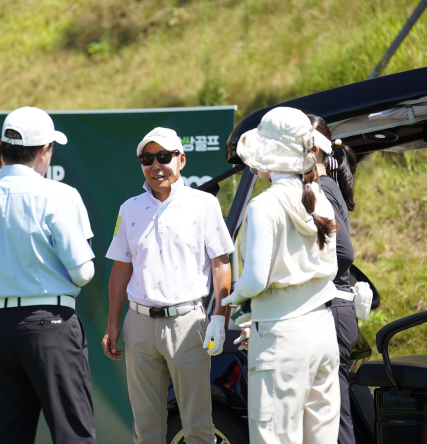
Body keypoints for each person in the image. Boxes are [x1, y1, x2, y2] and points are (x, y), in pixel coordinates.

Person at [0, 106, 97, 444]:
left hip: (1, 326)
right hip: (53, 324)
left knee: (8, 435)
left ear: (2, 147)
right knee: (73, 433)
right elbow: (84, 272)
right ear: (44, 151)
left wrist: (6, 276)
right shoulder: (60, 195)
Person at [102, 127, 234, 444]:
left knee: (198, 425)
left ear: (181, 159)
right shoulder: (129, 208)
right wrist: (113, 324)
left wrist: (220, 317)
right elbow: (121, 269)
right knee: (146, 428)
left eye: (164, 156)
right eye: (147, 158)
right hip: (140, 324)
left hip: (188, 323)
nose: (156, 165)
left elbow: (221, 264)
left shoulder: (203, 204)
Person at [222, 107, 340, 444]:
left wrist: (235, 295)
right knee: (321, 437)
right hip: (322, 328)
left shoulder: (264, 206)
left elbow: (256, 278)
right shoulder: (320, 198)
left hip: (282, 334)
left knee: (275, 436)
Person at [308, 113, 359, 444]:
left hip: (329, 311)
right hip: (333, 310)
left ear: (313, 149)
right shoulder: (325, 186)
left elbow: (343, 254)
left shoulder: (319, 189)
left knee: (331, 421)